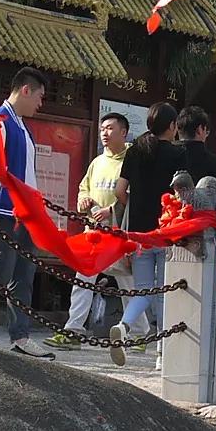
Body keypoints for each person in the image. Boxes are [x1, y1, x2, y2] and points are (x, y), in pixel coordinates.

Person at [0, 67, 51, 357]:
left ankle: (20, 338)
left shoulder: (23, 125)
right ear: (25, 90)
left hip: (26, 214)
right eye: (39, 96)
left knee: (24, 277)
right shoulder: (0, 121)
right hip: (2, 211)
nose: (40, 103)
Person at [108, 103, 180, 366]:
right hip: (166, 230)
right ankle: (162, 354)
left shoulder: (135, 150)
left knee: (142, 291)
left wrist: (135, 205)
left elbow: (119, 191)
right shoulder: (177, 154)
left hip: (138, 234)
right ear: (172, 126)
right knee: (164, 292)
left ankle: (124, 326)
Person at [53, 110, 132, 348]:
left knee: (128, 284)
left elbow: (134, 195)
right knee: (83, 280)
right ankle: (73, 330)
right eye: (102, 129)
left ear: (123, 132)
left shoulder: (131, 160)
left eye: (110, 128)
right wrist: (84, 201)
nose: (104, 133)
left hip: (119, 233)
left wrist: (112, 210)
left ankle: (139, 331)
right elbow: (83, 189)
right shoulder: (97, 162)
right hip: (94, 234)